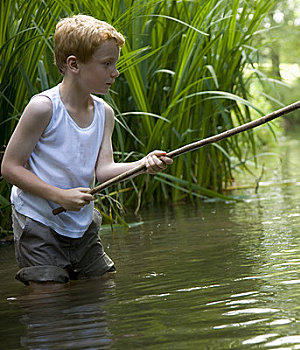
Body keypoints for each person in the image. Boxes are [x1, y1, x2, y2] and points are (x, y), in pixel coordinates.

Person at [0, 15, 173, 285]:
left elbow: (104, 170)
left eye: (114, 64)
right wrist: (60, 196)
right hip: (39, 219)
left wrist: (143, 163)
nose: (115, 72)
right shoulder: (43, 107)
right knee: (48, 295)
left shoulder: (105, 113)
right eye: (107, 64)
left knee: (102, 284)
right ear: (73, 64)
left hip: (81, 224)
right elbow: (9, 168)